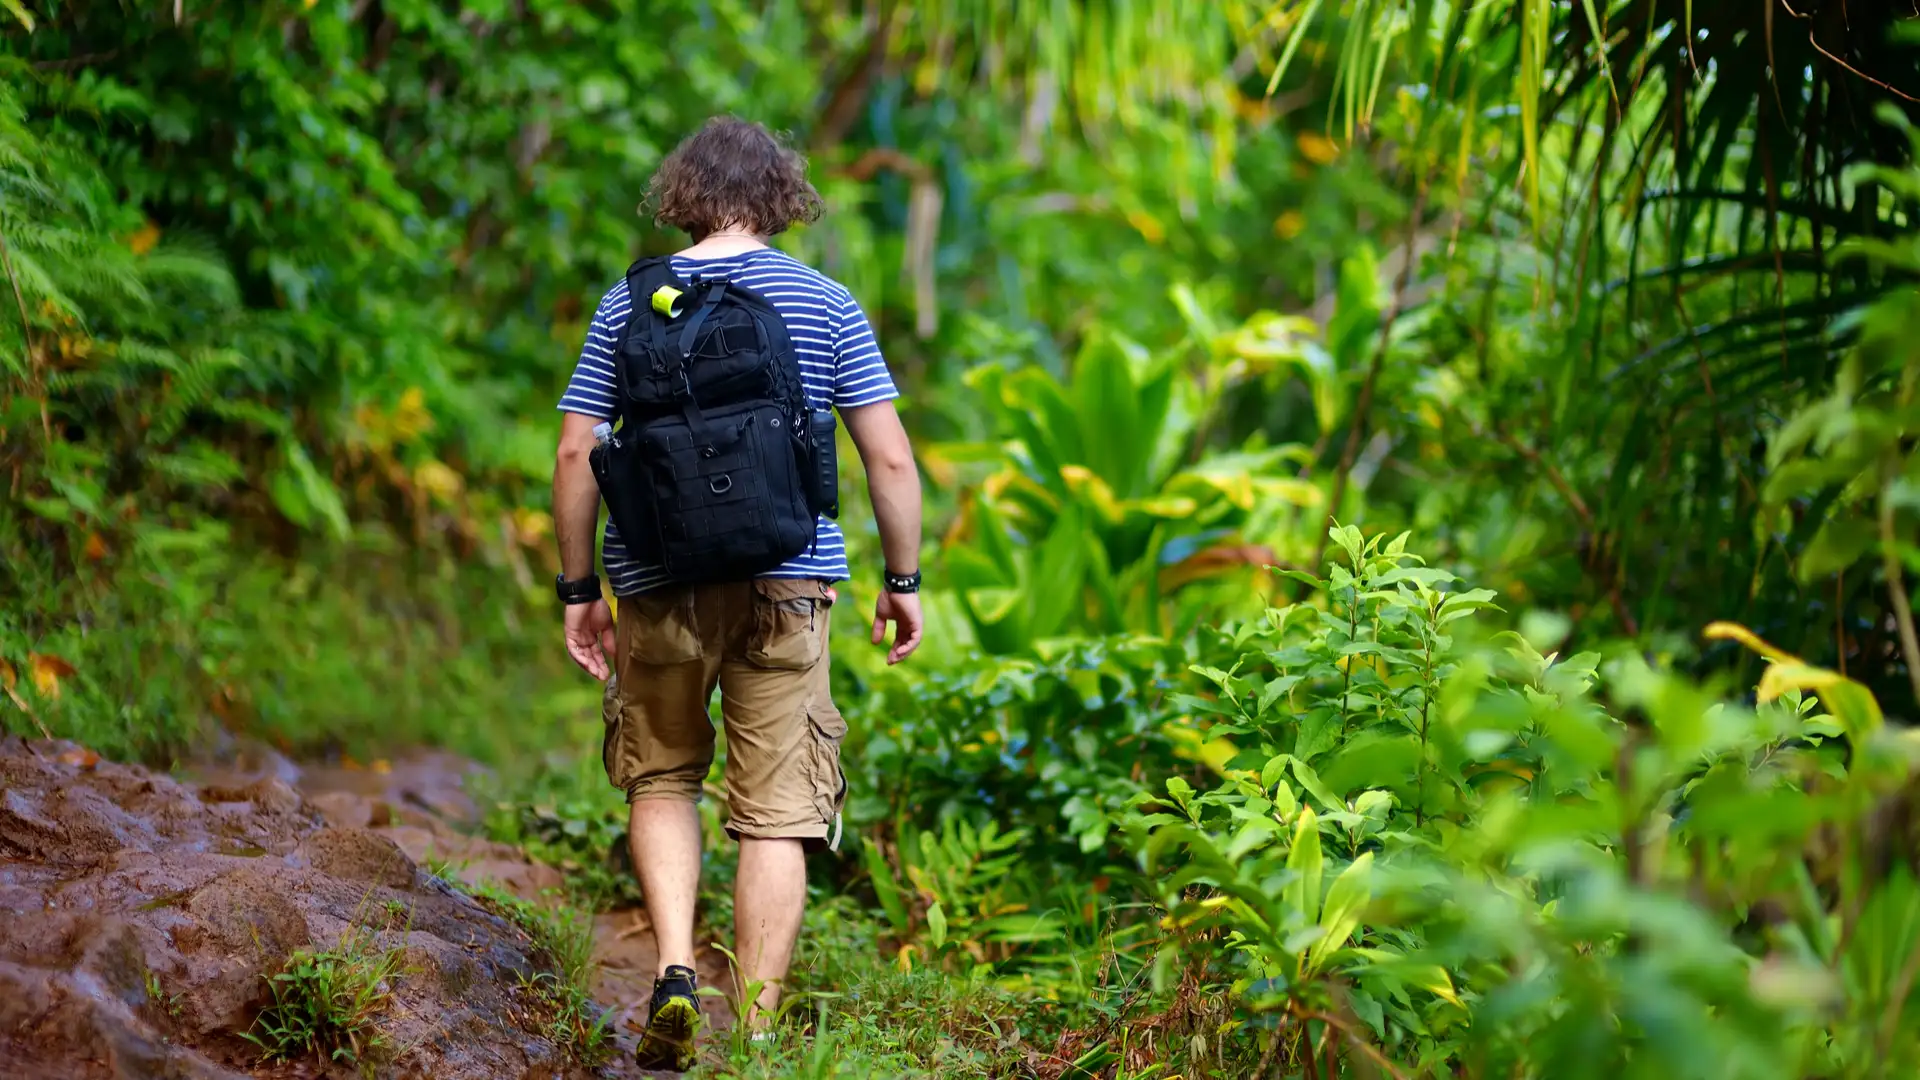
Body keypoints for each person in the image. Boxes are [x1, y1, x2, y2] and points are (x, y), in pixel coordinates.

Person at [548, 116, 925, 1070]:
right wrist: (903, 580)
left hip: (656, 582)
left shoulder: (631, 302)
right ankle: (756, 1038)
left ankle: (675, 967)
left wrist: (578, 586)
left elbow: (574, 451)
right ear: (780, 198)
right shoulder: (825, 301)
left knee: (664, 775)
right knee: (777, 812)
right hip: (787, 580)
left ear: (682, 195)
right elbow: (887, 456)